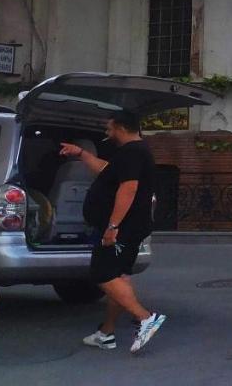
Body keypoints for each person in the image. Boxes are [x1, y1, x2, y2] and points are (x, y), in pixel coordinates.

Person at [59, 110, 165, 354]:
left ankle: (146, 318)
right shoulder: (133, 153)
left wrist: (113, 226)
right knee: (119, 277)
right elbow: (106, 170)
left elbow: (128, 189)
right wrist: (82, 153)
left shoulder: (132, 152)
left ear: (120, 127)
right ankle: (106, 333)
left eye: (109, 128)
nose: (107, 133)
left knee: (101, 274)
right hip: (132, 227)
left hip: (123, 228)